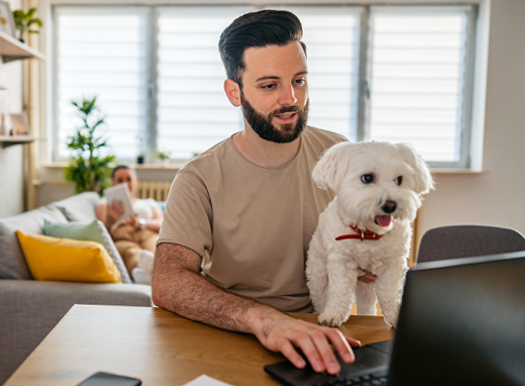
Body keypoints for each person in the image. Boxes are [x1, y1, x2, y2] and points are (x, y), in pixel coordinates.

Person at [152, 9, 377, 375]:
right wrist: (263, 319)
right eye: (270, 85)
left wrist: (369, 259)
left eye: (299, 80)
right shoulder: (198, 178)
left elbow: (367, 242)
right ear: (233, 92)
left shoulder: (342, 155)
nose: (291, 99)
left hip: (326, 334)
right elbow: (167, 281)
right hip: (232, 334)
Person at [96, 165, 163, 282]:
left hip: (147, 232)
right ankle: (142, 270)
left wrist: (140, 223)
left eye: (129, 179)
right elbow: (101, 231)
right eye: (120, 180)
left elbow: (162, 224)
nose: (125, 184)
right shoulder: (104, 204)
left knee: (156, 246)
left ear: (136, 181)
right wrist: (111, 218)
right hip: (122, 236)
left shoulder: (149, 203)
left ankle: (151, 270)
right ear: (113, 183)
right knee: (129, 252)